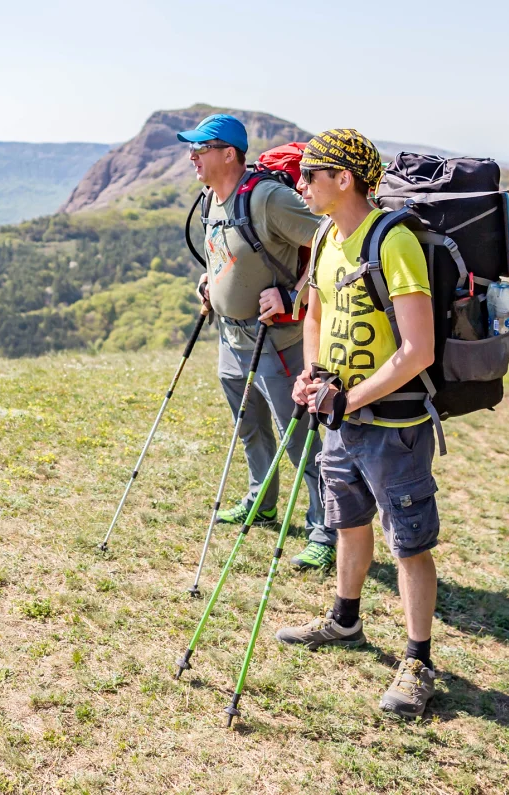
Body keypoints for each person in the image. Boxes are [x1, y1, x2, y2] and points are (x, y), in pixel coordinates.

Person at [275, 129, 441, 718]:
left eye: (309, 174)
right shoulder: (324, 235)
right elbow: (316, 310)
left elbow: (417, 349)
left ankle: (418, 661)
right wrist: (313, 373)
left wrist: (352, 399)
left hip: (393, 421)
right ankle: (345, 621)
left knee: (409, 543)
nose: (300, 183)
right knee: (348, 522)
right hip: (340, 414)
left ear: (343, 179)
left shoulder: (393, 243)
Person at [177, 113, 337, 570]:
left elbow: (332, 239)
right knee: (250, 428)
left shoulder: (267, 198)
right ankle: (261, 501)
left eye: (201, 148)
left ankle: (324, 530)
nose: (192, 156)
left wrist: (293, 294)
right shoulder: (210, 200)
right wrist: (211, 282)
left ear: (229, 154)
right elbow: (226, 254)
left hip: (278, 342)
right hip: (231, 338)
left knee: (299, 440)